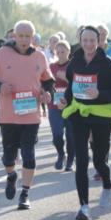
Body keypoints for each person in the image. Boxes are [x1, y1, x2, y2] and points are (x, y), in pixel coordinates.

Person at [0, 21, 55, 210]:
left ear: (33, 38)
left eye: (27, 36)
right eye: (20, 36)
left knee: (29, 155)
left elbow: (48, 82)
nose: (23, 40)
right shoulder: (2, 54)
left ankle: (25, 193)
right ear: (14, 36)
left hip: (31, 115)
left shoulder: (39, 56)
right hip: (8, 115)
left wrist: (48, 93)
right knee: (9, 157)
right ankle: (11, 175)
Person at [55, 26, 111, 220]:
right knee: (82, 161)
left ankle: (108, 183)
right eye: (85, 40)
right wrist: (65, 100)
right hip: (79, 114)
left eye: (93, 40)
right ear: (80, 40)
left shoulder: (107, 63)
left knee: (99, 160)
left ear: (99, 41)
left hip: (102, 115)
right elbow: (71, 87)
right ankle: (84, 207)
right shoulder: (75, 61)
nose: (89, 44)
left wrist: (99, 94)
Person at [47, 41, 75, 172]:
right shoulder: (51, 67)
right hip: (55, 106)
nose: (60, 54)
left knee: (71, 135)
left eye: (63, 52)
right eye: (58, 52)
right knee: (57, 135)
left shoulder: (73, 65)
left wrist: (66, 78)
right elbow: (45, 83)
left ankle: (70, 160)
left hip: (71, 105)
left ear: (69, 52)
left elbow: (80, 84)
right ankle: (61, 154)